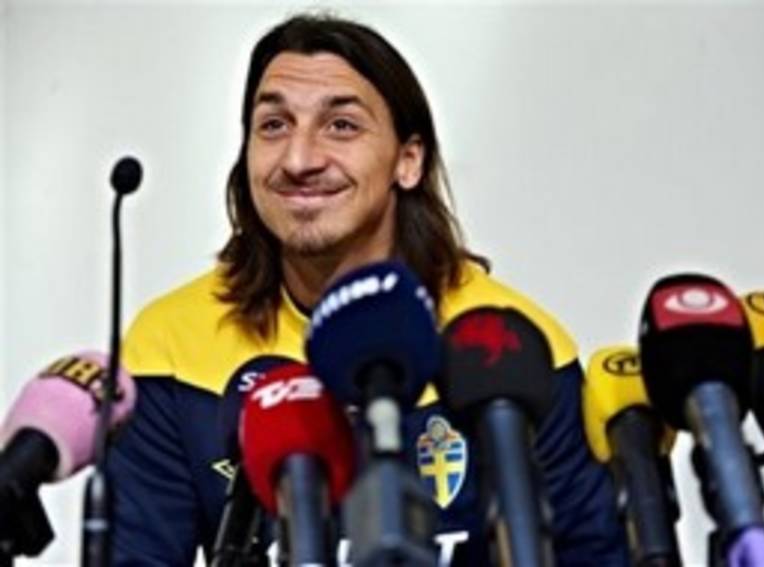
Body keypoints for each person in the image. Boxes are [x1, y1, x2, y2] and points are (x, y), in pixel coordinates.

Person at [109, 13, 629, 566]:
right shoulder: (170, 345)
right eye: (274, 125)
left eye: (341, 126)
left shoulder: (510, 348)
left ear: (408, 160)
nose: (299, 160)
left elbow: (593, 556)